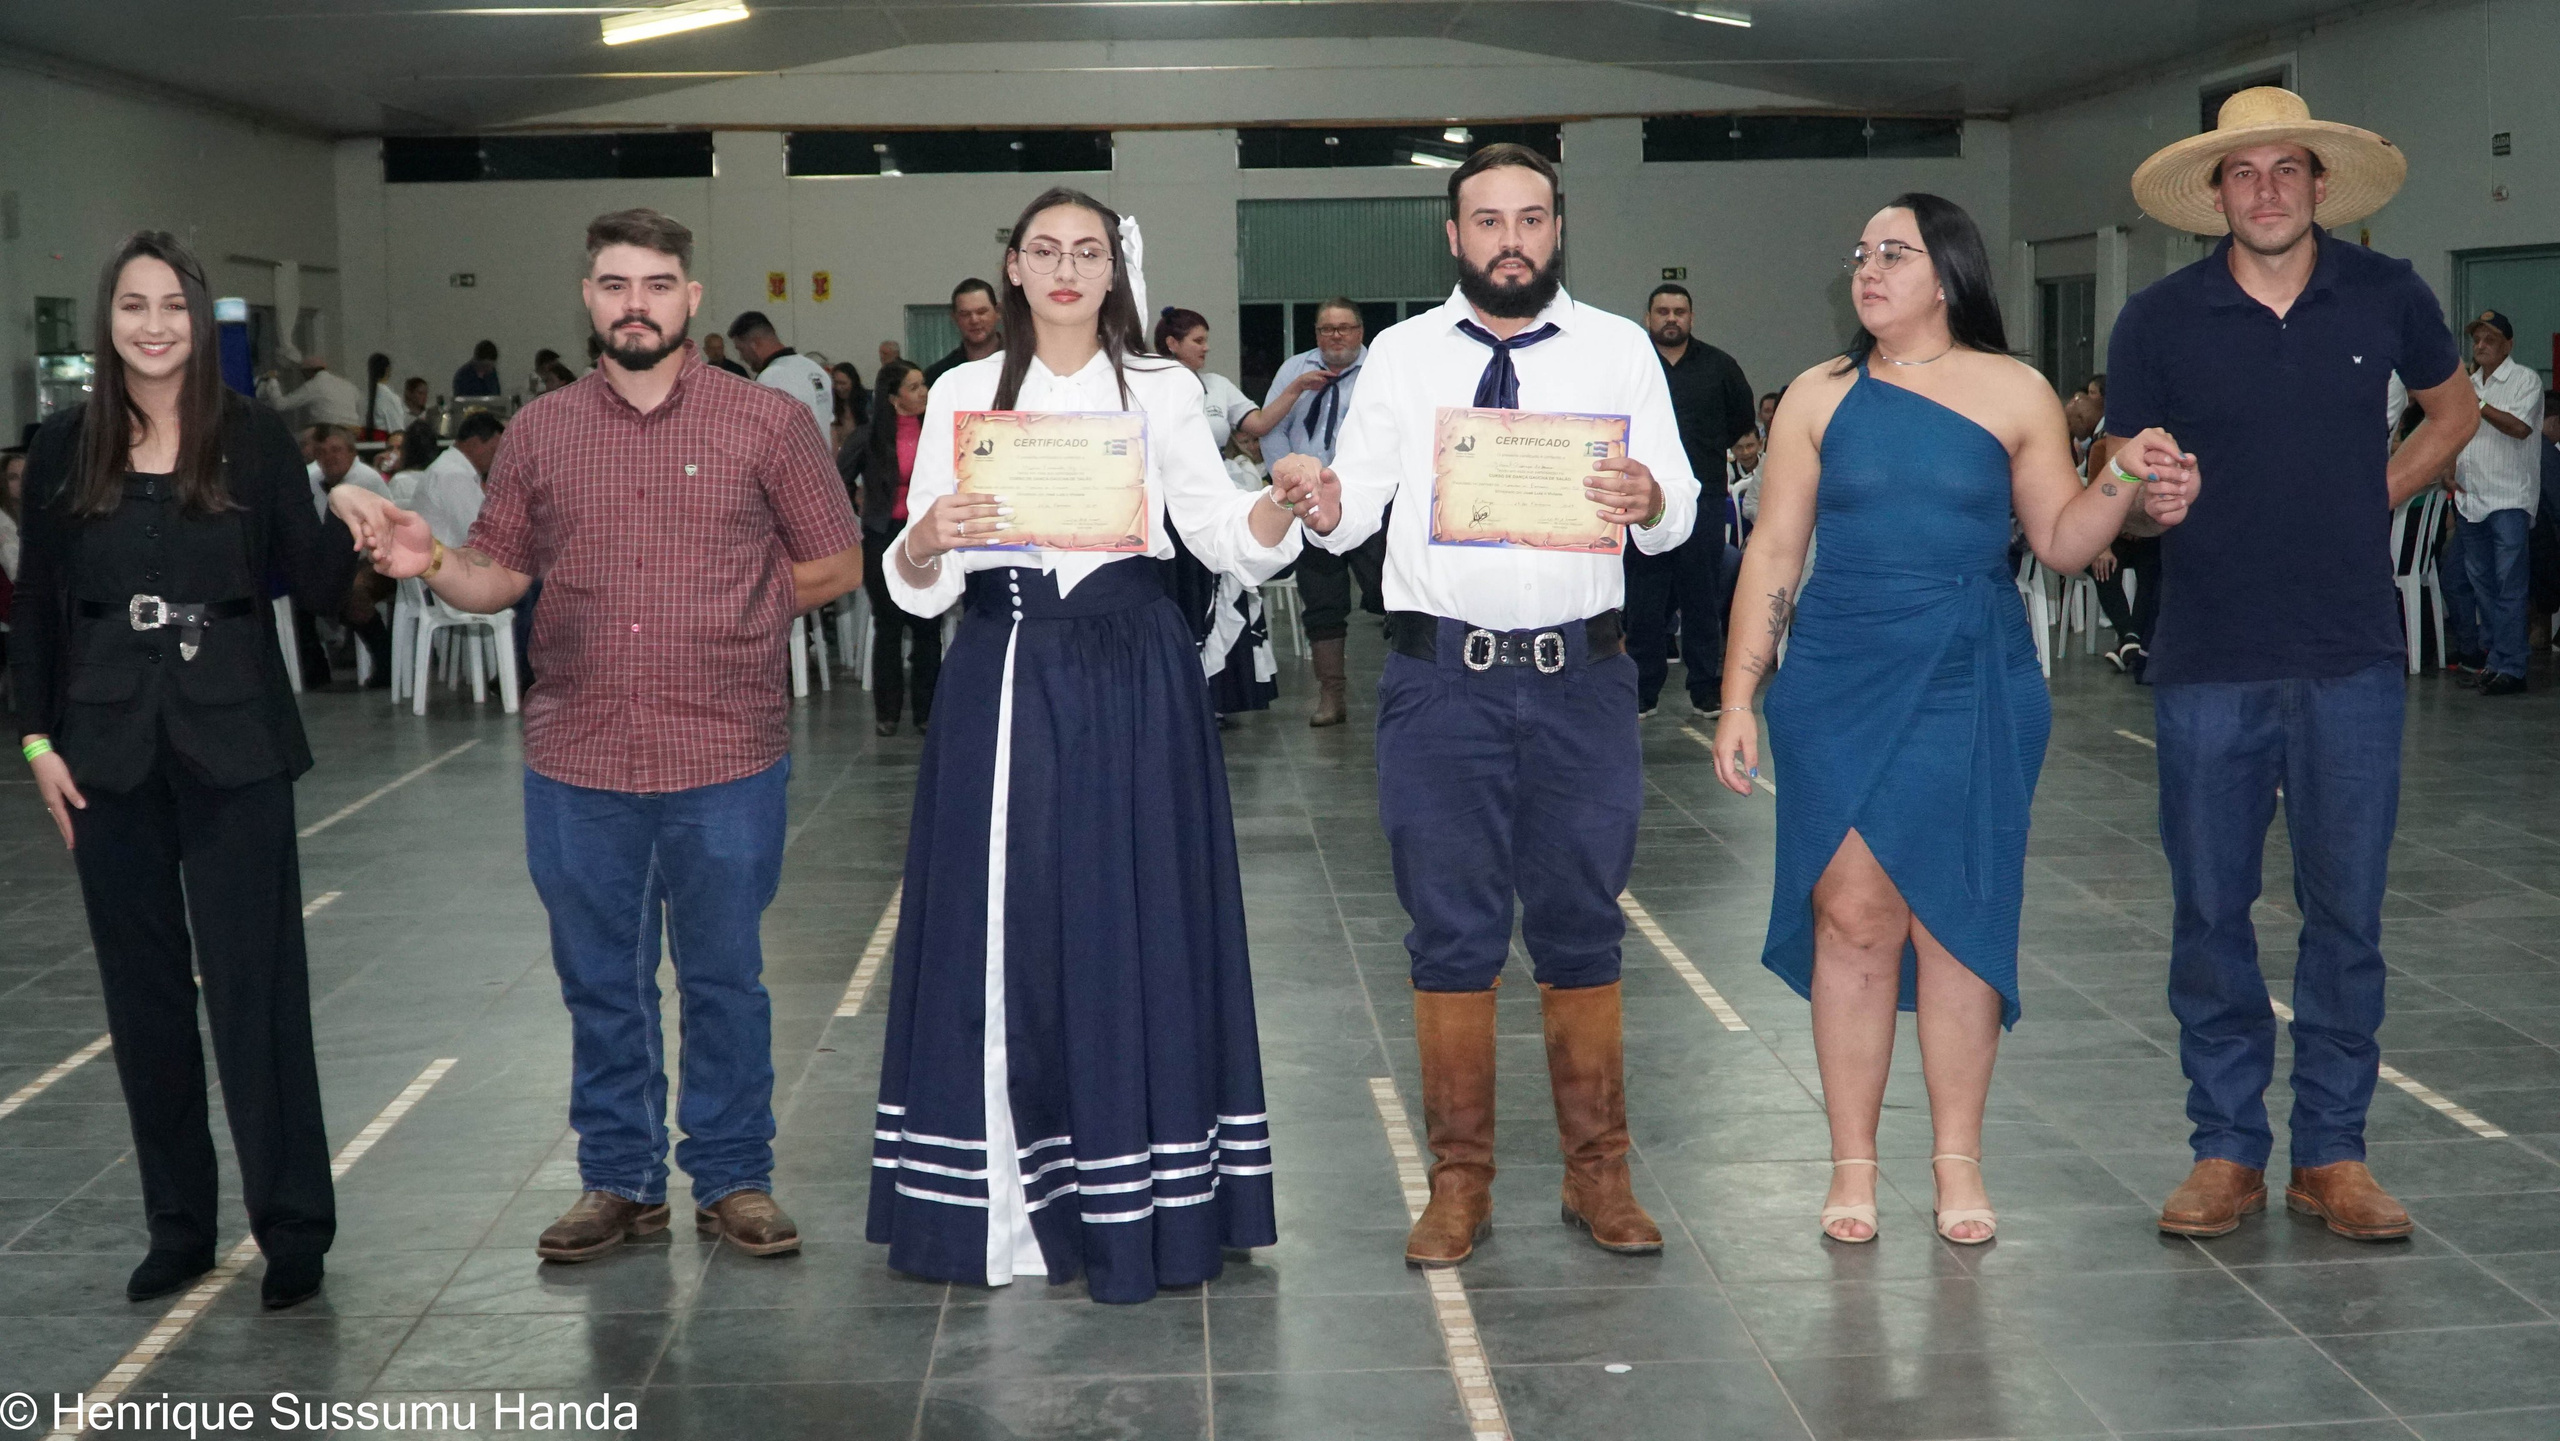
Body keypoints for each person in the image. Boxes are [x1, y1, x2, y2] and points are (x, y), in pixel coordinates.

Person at [336, 207, 865, 1265]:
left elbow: (840, 561)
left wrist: (739, 616)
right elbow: (496, 575)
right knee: (599, 978)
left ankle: (733, 1174)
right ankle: (620, 1178)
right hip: (578, 754)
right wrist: (426, 558)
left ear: (690, 299)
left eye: (657, 283)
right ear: (589, 299)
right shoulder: (540, 432)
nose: (636, 304)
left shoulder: (766, 424)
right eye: (616, 284)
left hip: (725, 749)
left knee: (723, 975)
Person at [1712, 195, 2190, 1246]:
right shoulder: (1816, 397)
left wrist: (2120, 475)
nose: (1867, 269)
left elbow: (2064, 543)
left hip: (1968, 677)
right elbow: (1775, 553)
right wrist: (1740, 694)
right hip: (1835, 674)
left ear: (1947, 275)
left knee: (1958, 920)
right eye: (1861, 252)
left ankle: (1956, 1159)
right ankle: (1851, 1163)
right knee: (1851, 917)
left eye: (1894, 252)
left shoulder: (2014, 389)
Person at [870, 187, 1303, 1303]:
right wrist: (924, 540)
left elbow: (1219, 532)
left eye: (1089, 251)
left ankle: (1142, 1198)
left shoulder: (1161, 389)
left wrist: (1283, 511)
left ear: (1116, 271)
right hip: (1002, 669)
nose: (1066, 268)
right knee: (993, 925)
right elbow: (918, 591)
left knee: (1132, 917)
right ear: (1011, 268)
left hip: (1131, 671)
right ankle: (1002, 1206)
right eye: (1045, 250)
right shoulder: (963, 391)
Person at [1275, 143, 1697, 1268]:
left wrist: (1650, 495)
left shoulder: (1617, 350)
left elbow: (1678, 509)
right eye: (1486, 220)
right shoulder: (1402, 359)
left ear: (1556, 229)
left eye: (1530, 218)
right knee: (1450, 932)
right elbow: (1356, 506)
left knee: (1581, 923)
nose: (1510, 237)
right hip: (1438, 684)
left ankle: (1597, 1173)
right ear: (1451, 235)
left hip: (1583, 683)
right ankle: (1458, 1180)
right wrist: (1316, 501)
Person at [2110, 87, 2477, 1242]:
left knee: (2347, 911)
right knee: (2210, 909)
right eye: (2242, 173)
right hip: (2206, 653)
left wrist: (2370, 493)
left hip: (2348, 656)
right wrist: (2141, 490)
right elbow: (2123, 470)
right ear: (2214, 195)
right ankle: (2224, 1150)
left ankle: (2332, 1151)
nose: (2264, 190)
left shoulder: (2388, 293)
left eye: (2284, 170)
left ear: (2318, 185)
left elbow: (2453, 411)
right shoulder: (2158, 320)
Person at [9, 231, 389, 1312]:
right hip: (105, 751)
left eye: (172, 305)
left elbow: (318, 588)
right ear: (108, 319)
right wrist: (38, 742)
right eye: (133, 306)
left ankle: (294, 1226)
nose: (153, 325)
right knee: (143, 1003)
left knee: (257, 989)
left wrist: (354, 511)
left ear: (199, 315)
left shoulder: (255, 437)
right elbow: (37, 610)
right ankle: (179, 1224)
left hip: (236, 745)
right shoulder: (65, 446)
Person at [1251, 297, 1382, 726]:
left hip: (1369, 501)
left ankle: (1402, 693)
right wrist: (1286, 481)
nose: (1336, 336)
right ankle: (1331, 695)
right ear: (1317, 334)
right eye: (1327, 329)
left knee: (1391, 597)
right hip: (1307, 503)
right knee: (1322, 603)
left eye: (1345, 328)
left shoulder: (1381, 368)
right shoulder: (1295, 370)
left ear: (1361, 332)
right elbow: (1271, 431)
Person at [1629, 282, 1754, 719]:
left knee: (1701, 595)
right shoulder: (1632, 365)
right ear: (1648, 317)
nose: (1671, 318)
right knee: (1644, 599)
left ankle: (1705, 688)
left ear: (1691, 318)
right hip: (1643, 501)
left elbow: (1741, 418)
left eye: (1679, 311)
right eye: (1662, 311)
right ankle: (1642, 692)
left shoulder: (1720, 366)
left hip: (1702, 497)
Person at [1154, 306, 1278, 719]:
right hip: (1168, 510)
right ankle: (1177, 693)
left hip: (1213, 501)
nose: (1206, 348)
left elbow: (1257, 424)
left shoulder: (1218, 387)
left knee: (1219, 589)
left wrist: (1294, 389)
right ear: (1172, 345)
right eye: (1197, 340)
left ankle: (1216, 694)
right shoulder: (1152, 386)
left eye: (1207, 340)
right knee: (1182, 595)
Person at [837, 359, 941, 736]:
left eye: (923, 384)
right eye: (914, 387)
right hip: (883, 535)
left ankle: (927, 711)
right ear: (894, 398)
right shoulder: (868, 437)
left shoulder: (938, 432)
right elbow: (837, 483)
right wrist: (856, 510)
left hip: (925, 535)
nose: (923, 392)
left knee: (928, 623)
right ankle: (888, 713)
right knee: (889, 623)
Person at [2451, 310, 2543, 696]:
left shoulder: (2525, 380)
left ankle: (2512, 667)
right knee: (2482, 585)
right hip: (2471, 499)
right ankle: (2495, 661)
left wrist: (2479, 404)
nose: (2481, 345)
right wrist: (2444, 469)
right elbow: (2450, 430)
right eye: (2476, 339)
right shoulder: (2466, 383)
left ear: (2508, 344)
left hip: (2508, 499)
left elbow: (2520, 429)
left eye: (2490, 339)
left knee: (2509, 586)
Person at [306, 426, 396, 687]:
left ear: (352, 452)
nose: (329, 457)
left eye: (336, 450)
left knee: (350, 591)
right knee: (304, 585)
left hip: (380, 560)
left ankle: (387, 661)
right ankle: (315, 667)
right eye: (322, 452)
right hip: (338, 560)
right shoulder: (312, 480)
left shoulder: (366, 480)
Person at [726, 310, 834, 445]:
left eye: (740, 350)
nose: (741, 358)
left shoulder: (770, 378)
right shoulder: (816, 370)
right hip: (824, 463)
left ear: (754, 345)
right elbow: (831, 431)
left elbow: (762, 439)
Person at [416, 410, 501, 547]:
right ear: (474, 443)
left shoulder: (452, 468)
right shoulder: (453, 474)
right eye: (495, 450)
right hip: (442, 563)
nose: (497, 459)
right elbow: (477, 533)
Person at [922, 278, 1001, 385]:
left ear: (997, 312)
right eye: (965, 314)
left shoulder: (1022, 364)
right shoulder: (939, 375)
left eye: (981, 312)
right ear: (954, 318)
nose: (974, 320)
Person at [272, 353, 362, 432]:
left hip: (330, 432)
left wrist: (272, 381)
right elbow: (360, 405)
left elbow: (280, 405)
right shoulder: (348, 385)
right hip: (353, 432)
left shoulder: (313, 385)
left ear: (307, 372)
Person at [361, 352, 410, 439]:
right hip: (386, 445)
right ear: (387, 370)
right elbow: (397, 430)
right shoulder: (389, 397)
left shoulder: (364, 397)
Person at [829, 360, 868, 448]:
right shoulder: (831, 403)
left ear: (853, 382)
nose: (839, 388)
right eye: (836, 383)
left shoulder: (866, 403)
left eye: (843, 383)